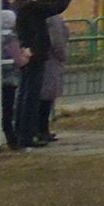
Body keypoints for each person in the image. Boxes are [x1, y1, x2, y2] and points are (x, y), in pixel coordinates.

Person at [12, 0, 70, 152]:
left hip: (24, 52)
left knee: (24, 93)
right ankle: (27, 136)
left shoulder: (20, 5)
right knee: (31, 95)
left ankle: (21, 132)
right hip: (35, 54)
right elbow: (55, 8)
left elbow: (43, 6)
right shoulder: (30, 7)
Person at [0, 0, 23, 152]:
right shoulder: (10, 36)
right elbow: (18, 60)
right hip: (9, 78)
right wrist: (26, 56)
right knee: (7, 110)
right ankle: (11, 139)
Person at [38, 10, 68, 145]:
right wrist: (62, 56)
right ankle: (42, 129)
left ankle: (39, 128)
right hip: (51, 60)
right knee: (47, 95)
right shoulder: (53, 17)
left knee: (41, 94)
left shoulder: (40, 14)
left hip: (42, 59)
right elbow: (57, 41)